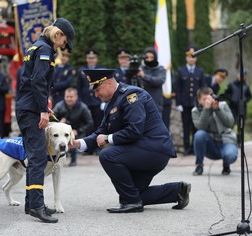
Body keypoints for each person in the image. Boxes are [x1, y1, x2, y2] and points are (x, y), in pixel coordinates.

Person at [69, 68, 191, 213]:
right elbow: (101, 132)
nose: (96, 95)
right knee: (133, 193)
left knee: (108, 155)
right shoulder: (111, 102)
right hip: (143, 149)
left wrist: (108, 139)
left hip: (154, 149)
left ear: (108, 83)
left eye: (97, 90)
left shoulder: (132, 95)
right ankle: (177, 191)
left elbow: (135, 130)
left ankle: (132, 203)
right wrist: (77, 143)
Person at [15, 17, 75, 223]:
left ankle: (30, 203)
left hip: (26, 106)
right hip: (31, 109)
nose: (63, 46)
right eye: (65, 41)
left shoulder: (36, 47)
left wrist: (44, 106)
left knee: (35, 155)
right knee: (38, 158)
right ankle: (37, 206)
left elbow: (30, 82)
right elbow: (38, 81)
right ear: (58, 35)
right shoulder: (45, 50)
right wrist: (42, 110)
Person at [191, 86, 238, 176]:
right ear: (199, 100)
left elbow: (230, 123)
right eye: (204, 99)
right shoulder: (195, 111)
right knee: (199, 135)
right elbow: (201, 127)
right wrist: (206, 109)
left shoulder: (222, 105)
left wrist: (217, 109)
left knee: (230, 156)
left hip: (226, 140)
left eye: (209, 98)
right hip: (211, 145)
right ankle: (199, 166)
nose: (208, 101)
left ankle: (226, 164)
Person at [176, 46, 205, 156]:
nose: (191, 59)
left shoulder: (200, 71)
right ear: (186, 58)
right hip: (185, 104)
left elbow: (203, 88)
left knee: (196, 126)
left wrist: (202, 101)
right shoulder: (181, 70)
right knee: (186, 126)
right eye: (189, 56)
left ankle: (194, 147)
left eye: (193, 57)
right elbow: (178, 88)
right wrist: (178, 103)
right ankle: (186, 148)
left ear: (196, 58)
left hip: (196, 104)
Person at [53, 87, 93, 166]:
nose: (69, 99)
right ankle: (56, 159)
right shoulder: (59, 106)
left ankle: (73, 159)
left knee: (73, 137)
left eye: (71, 97)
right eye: (67, 97)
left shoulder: (83, 107)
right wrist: (59, 123)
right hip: (61, 130)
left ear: (76, 97)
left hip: (77, 130)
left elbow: (90, 122)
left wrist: (78, 131)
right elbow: (52, 120)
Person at [77, 49, 105, 132]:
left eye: (93, 58)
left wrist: (104, 101)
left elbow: (104, 87)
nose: (91, 60)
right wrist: (80, 101)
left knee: (99, 123)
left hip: (98, 101)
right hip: (86, 101)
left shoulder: (102, 69)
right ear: (86, 59)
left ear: (96, 59)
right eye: (89, 58)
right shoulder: (81, 70)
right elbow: (79, 87)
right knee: (86, 123)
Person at [137, 47, 166, 113]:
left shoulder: (160, 69)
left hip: (156, 105)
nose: (149, 60)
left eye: (151, 57)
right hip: (142, 104)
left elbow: (159, 81)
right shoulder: (141, 68)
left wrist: (144, 76)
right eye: (147, 57)